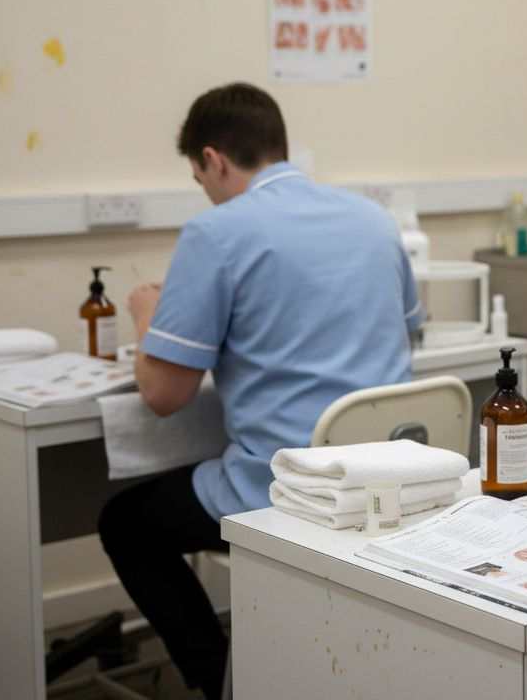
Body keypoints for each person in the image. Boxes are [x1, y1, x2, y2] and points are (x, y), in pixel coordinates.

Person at [97, 82, 423, 698]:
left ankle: (222, 681)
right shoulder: (374, 221)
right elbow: (408, 338)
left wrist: (148, 317)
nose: (207, 191)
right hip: (388, 477)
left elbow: (164, 395)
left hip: (286, 488)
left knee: (125, 524)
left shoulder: (216, 233)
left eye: (201, 178)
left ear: (213, 160)